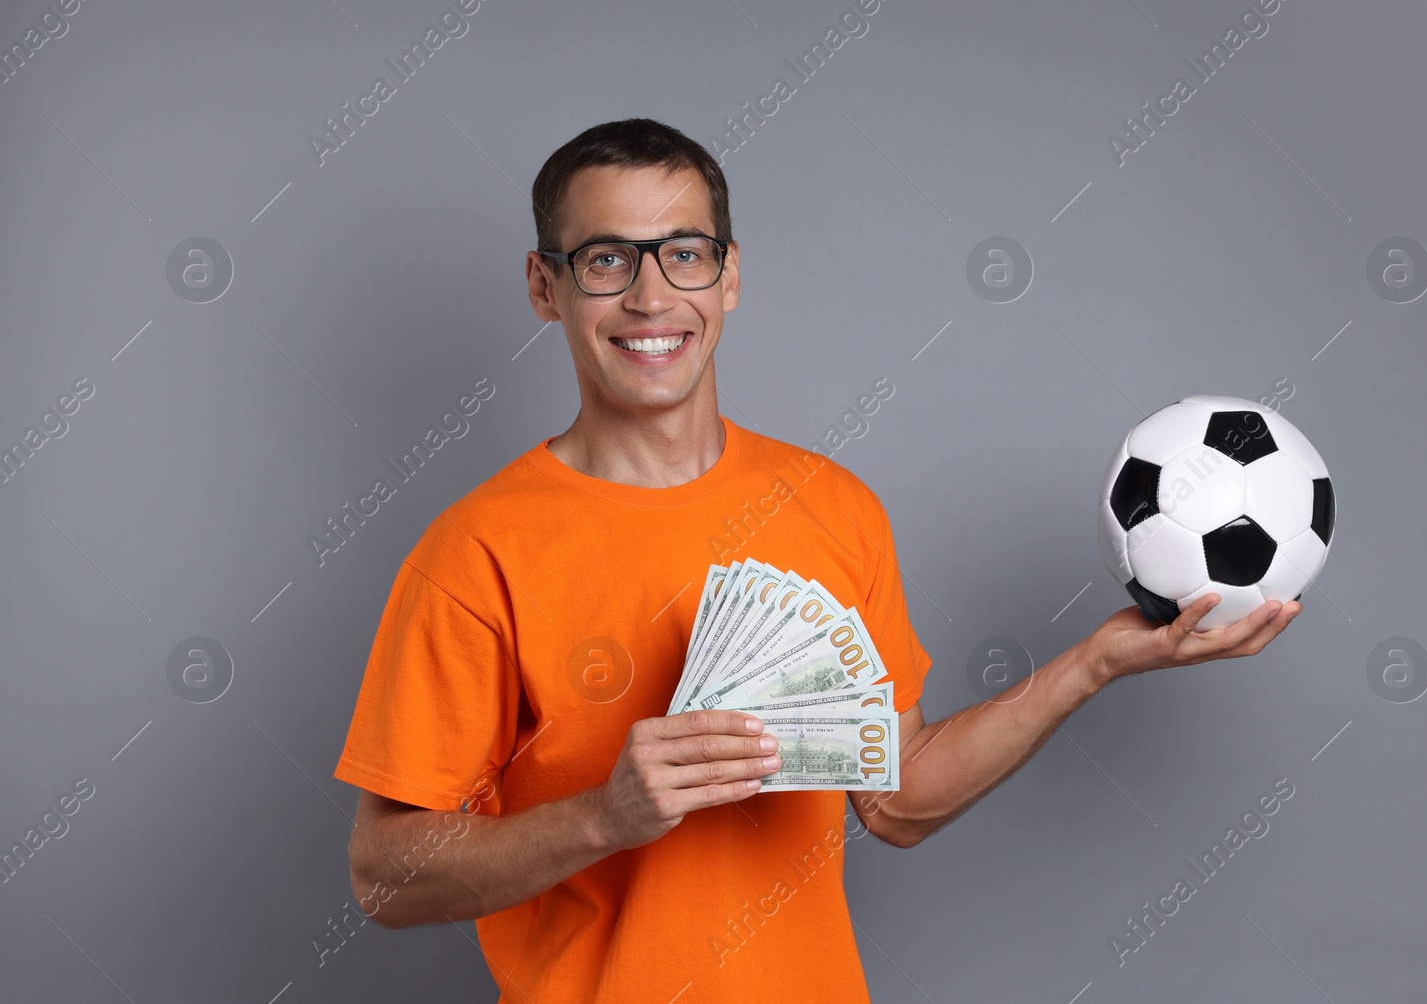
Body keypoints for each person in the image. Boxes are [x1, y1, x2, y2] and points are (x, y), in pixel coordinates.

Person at [333, 117, 1300, 1002]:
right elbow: (382, 876)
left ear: (731, 275)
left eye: (683, 253)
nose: (651, 295)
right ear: (546, 287)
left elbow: (897, 799)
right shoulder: (475, 551)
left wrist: (1094, 662)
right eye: (604, 260)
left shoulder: (833, 508)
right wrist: (604, 816)